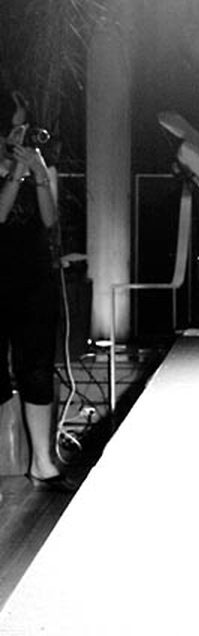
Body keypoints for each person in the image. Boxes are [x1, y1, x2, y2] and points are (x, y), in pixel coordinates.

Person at [0, 88, 75, 497]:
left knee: (37, 368)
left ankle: (43, 464)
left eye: (24, 127)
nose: (21, 135)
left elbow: (49, 219)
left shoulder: (37, 165)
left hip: (33, 277)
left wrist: (40, 172)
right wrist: (16, 172)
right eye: (15, 128)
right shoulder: (10, 168)